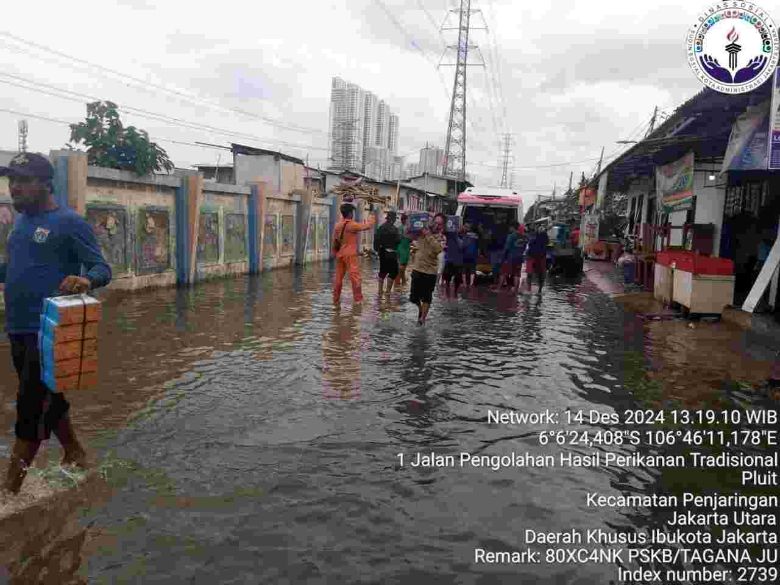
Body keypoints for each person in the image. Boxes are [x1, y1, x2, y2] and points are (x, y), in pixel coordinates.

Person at [0, 153, 112, 496]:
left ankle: (8, 497)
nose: (13, 187)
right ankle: (75, 453)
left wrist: (84, 280)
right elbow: (16, 270)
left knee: (30, 408)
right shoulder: (20, 223)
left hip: (48, 331)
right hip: (18, 329)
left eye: (22, 180)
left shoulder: (68, 222)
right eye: (11, 180)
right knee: (49, 397)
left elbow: (102, 269)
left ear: (45, 184)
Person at [333, 202, 376, 305]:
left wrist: (335, 253)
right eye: (352, 212)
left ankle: (335, 300)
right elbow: (367, 226)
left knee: (338, 278)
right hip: (350, 255)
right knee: (355, 277)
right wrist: (372, 216)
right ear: (349, 214)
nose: (353, 214)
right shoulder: (352, 225)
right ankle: (358, 300)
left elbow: (334, 241)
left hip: (340, 254)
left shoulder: (337, 225)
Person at [409, 220, 443, 325]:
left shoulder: (438, 237)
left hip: (430, 272)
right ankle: (420, 309)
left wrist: (428, 235)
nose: (435, 225)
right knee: (413, 297)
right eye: (433, 223)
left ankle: (422, 319)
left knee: (427, 297)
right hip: (417, 269)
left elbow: (438, 249)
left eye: (437, 224)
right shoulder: (419, 235)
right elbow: (407, 235)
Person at [374, 210, 401, 295]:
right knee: (394, 272)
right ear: (393, 219)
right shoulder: (395, 229)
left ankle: (380, 291)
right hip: (392, 253)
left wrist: (377, 250)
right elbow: (398, 240)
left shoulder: (380, 228)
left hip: (382, 252)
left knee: (383, 271)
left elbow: (376, 240)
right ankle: (388, 292)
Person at [503, 221, 527, 291]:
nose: (509, 229)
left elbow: (506, 248)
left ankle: (509, 288)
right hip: (519, 257)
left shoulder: (511, 236)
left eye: (510, 227)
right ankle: (515, 290)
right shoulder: (524, 236)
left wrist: (504, 258)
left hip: (511, 257)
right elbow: (524, 247)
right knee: (517, 274)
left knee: (507, 273)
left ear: (512, 227)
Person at [525, 224, 549, 294]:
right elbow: (529, 242)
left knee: (540, 273)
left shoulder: (543, 235)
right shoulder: (533, 234)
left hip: (538, 256)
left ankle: (538, 290)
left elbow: (546, 242)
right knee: (532, 273)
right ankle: (531, 289)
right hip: (533, 256)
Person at [442, 223, 464, 295]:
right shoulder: (450, 235)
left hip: (458, 261)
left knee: (457, 279)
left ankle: (455, 293)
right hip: (450, 260)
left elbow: (462, 247)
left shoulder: (463, 237)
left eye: (459, 227)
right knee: (447, 279)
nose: (457, 229)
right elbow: (443, 231)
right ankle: (448, 294)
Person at [395, 213, 411, 287]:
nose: (407, 221)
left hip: (405, 248)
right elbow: (400, 238)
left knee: (403, 267)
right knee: (401, 267)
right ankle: (398, 283)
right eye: (406, 220)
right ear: (404, 220)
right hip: (402, 248)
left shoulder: (405, 228)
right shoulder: (402, 228)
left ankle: (402, 282)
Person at [461, 222, 479, 287]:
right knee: (472, 269)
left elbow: (463, 245)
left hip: (465, 255)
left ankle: (464, 283)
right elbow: (478, 245)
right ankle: (471, 283)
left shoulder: (464, 236)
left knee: (464, 269)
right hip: (473, 255)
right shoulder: (476, 236)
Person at [432, 213, 447, 286]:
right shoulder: (427, 232)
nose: (437, 226)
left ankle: (436, 283)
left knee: (440, 266)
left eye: (440, 224)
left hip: (441, 252)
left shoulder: (447, 233)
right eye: (436, 223)